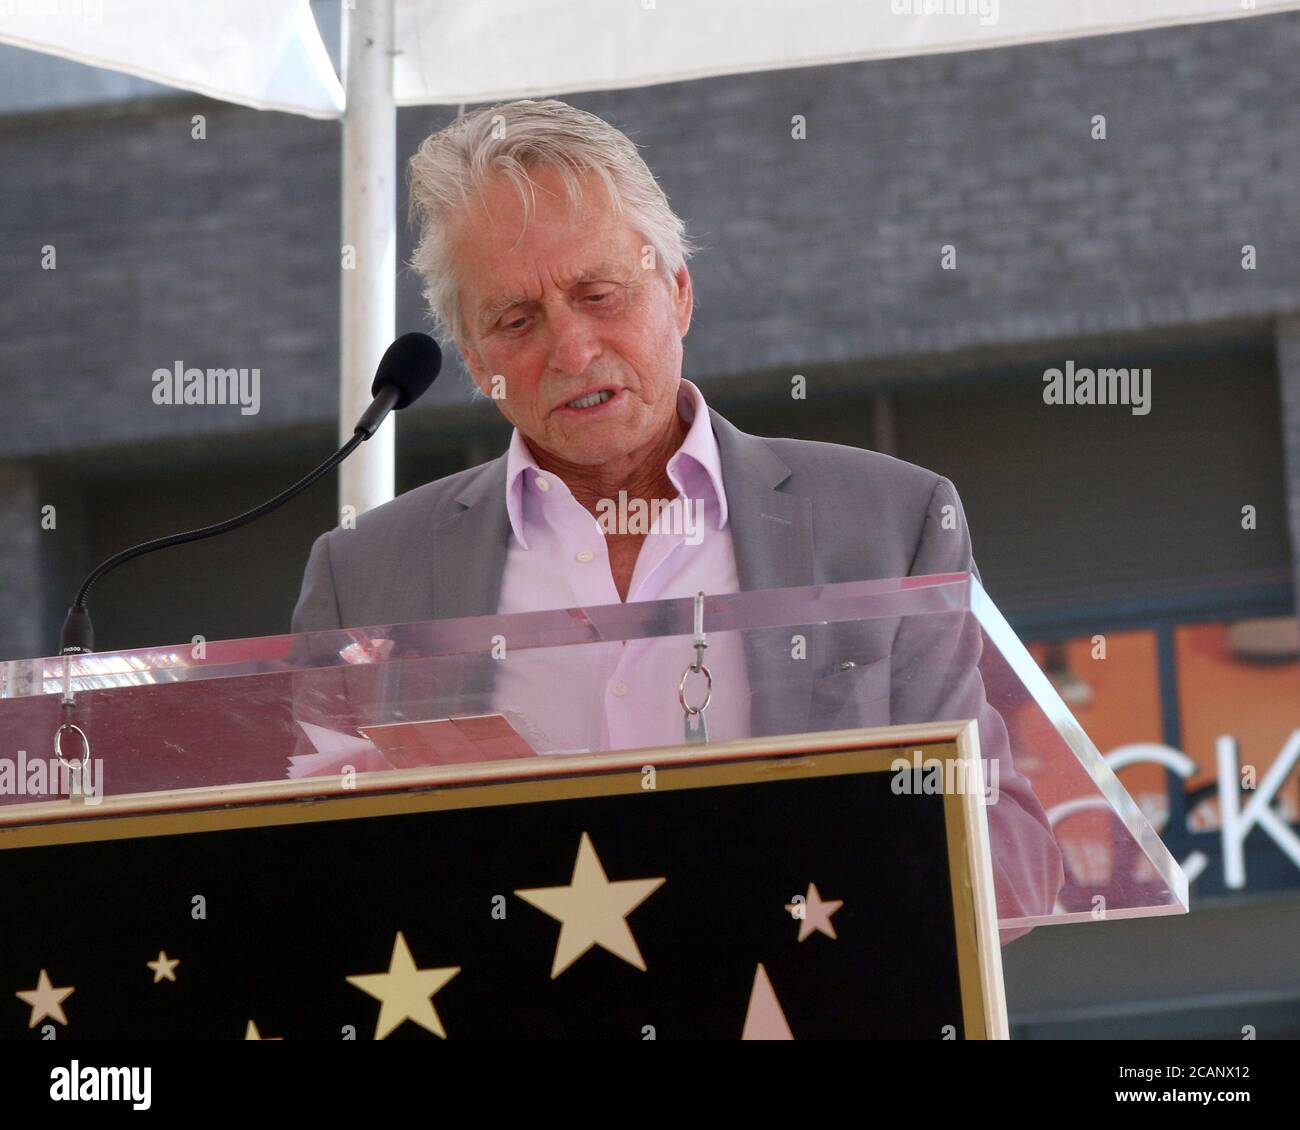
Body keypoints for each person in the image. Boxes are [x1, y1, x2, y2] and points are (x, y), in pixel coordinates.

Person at [291, 99, 1063, 933]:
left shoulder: (891, 522)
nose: (573, 349)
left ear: (679, 293)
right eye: (517, 321)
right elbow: (301, 881)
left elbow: (1012, 865)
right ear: (477, 363)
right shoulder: (362, 577)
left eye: (600, 292)